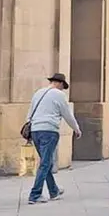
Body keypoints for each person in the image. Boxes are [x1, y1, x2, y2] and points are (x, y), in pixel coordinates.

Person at [27, 73, 82, 204]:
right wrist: (76, 129)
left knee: (46, 163)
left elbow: (29, 114)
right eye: (63, 86)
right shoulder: (59, 95)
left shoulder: (38, 93)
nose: (63, 89)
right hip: (49, 131)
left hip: (35, 130)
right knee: (45, 163)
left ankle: (54, 191)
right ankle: (35, 195)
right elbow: (67, 115)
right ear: (60, 83)